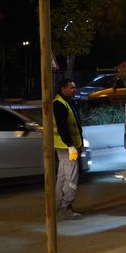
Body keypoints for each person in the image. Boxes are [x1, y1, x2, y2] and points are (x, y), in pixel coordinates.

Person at [53, 78, 84, 220]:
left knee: (62, 177)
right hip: (67, 148)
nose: (74, 90)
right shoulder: (59, 104)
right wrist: (72, 146)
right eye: (71, 87)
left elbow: (75, 126)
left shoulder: (66, 102)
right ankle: (65, 207)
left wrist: (80, 143)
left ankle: (58, 206)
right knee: (71, 178)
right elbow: (63, 128)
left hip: (65, 147)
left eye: (74, 87)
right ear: (63, 88)